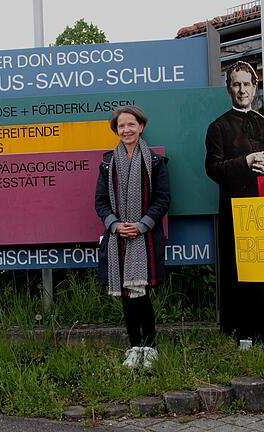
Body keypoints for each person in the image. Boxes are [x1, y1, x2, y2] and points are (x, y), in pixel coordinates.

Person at [205, 61, 264, 343]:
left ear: (255, 87)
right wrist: (244, 162)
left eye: (247, 84)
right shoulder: (218, 126)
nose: (242, 89)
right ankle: (241, 332)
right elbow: (213, 168)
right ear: (228, 89)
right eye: (236, 84)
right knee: (238, 270)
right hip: (235, 210)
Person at [95, 106, 170, 369]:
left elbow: (163, 199)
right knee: (128, 296)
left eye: (131, 124)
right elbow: (101, 202)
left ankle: (149, 347)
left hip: (144, 239)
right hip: (119, 240)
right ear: (116, 130)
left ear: (141, 127)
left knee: (142, 294)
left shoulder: (156, 162)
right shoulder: (107, 163)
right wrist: (115, 225)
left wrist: (142, 225)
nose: (126, 130)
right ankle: (133, 346)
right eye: (121, 126)